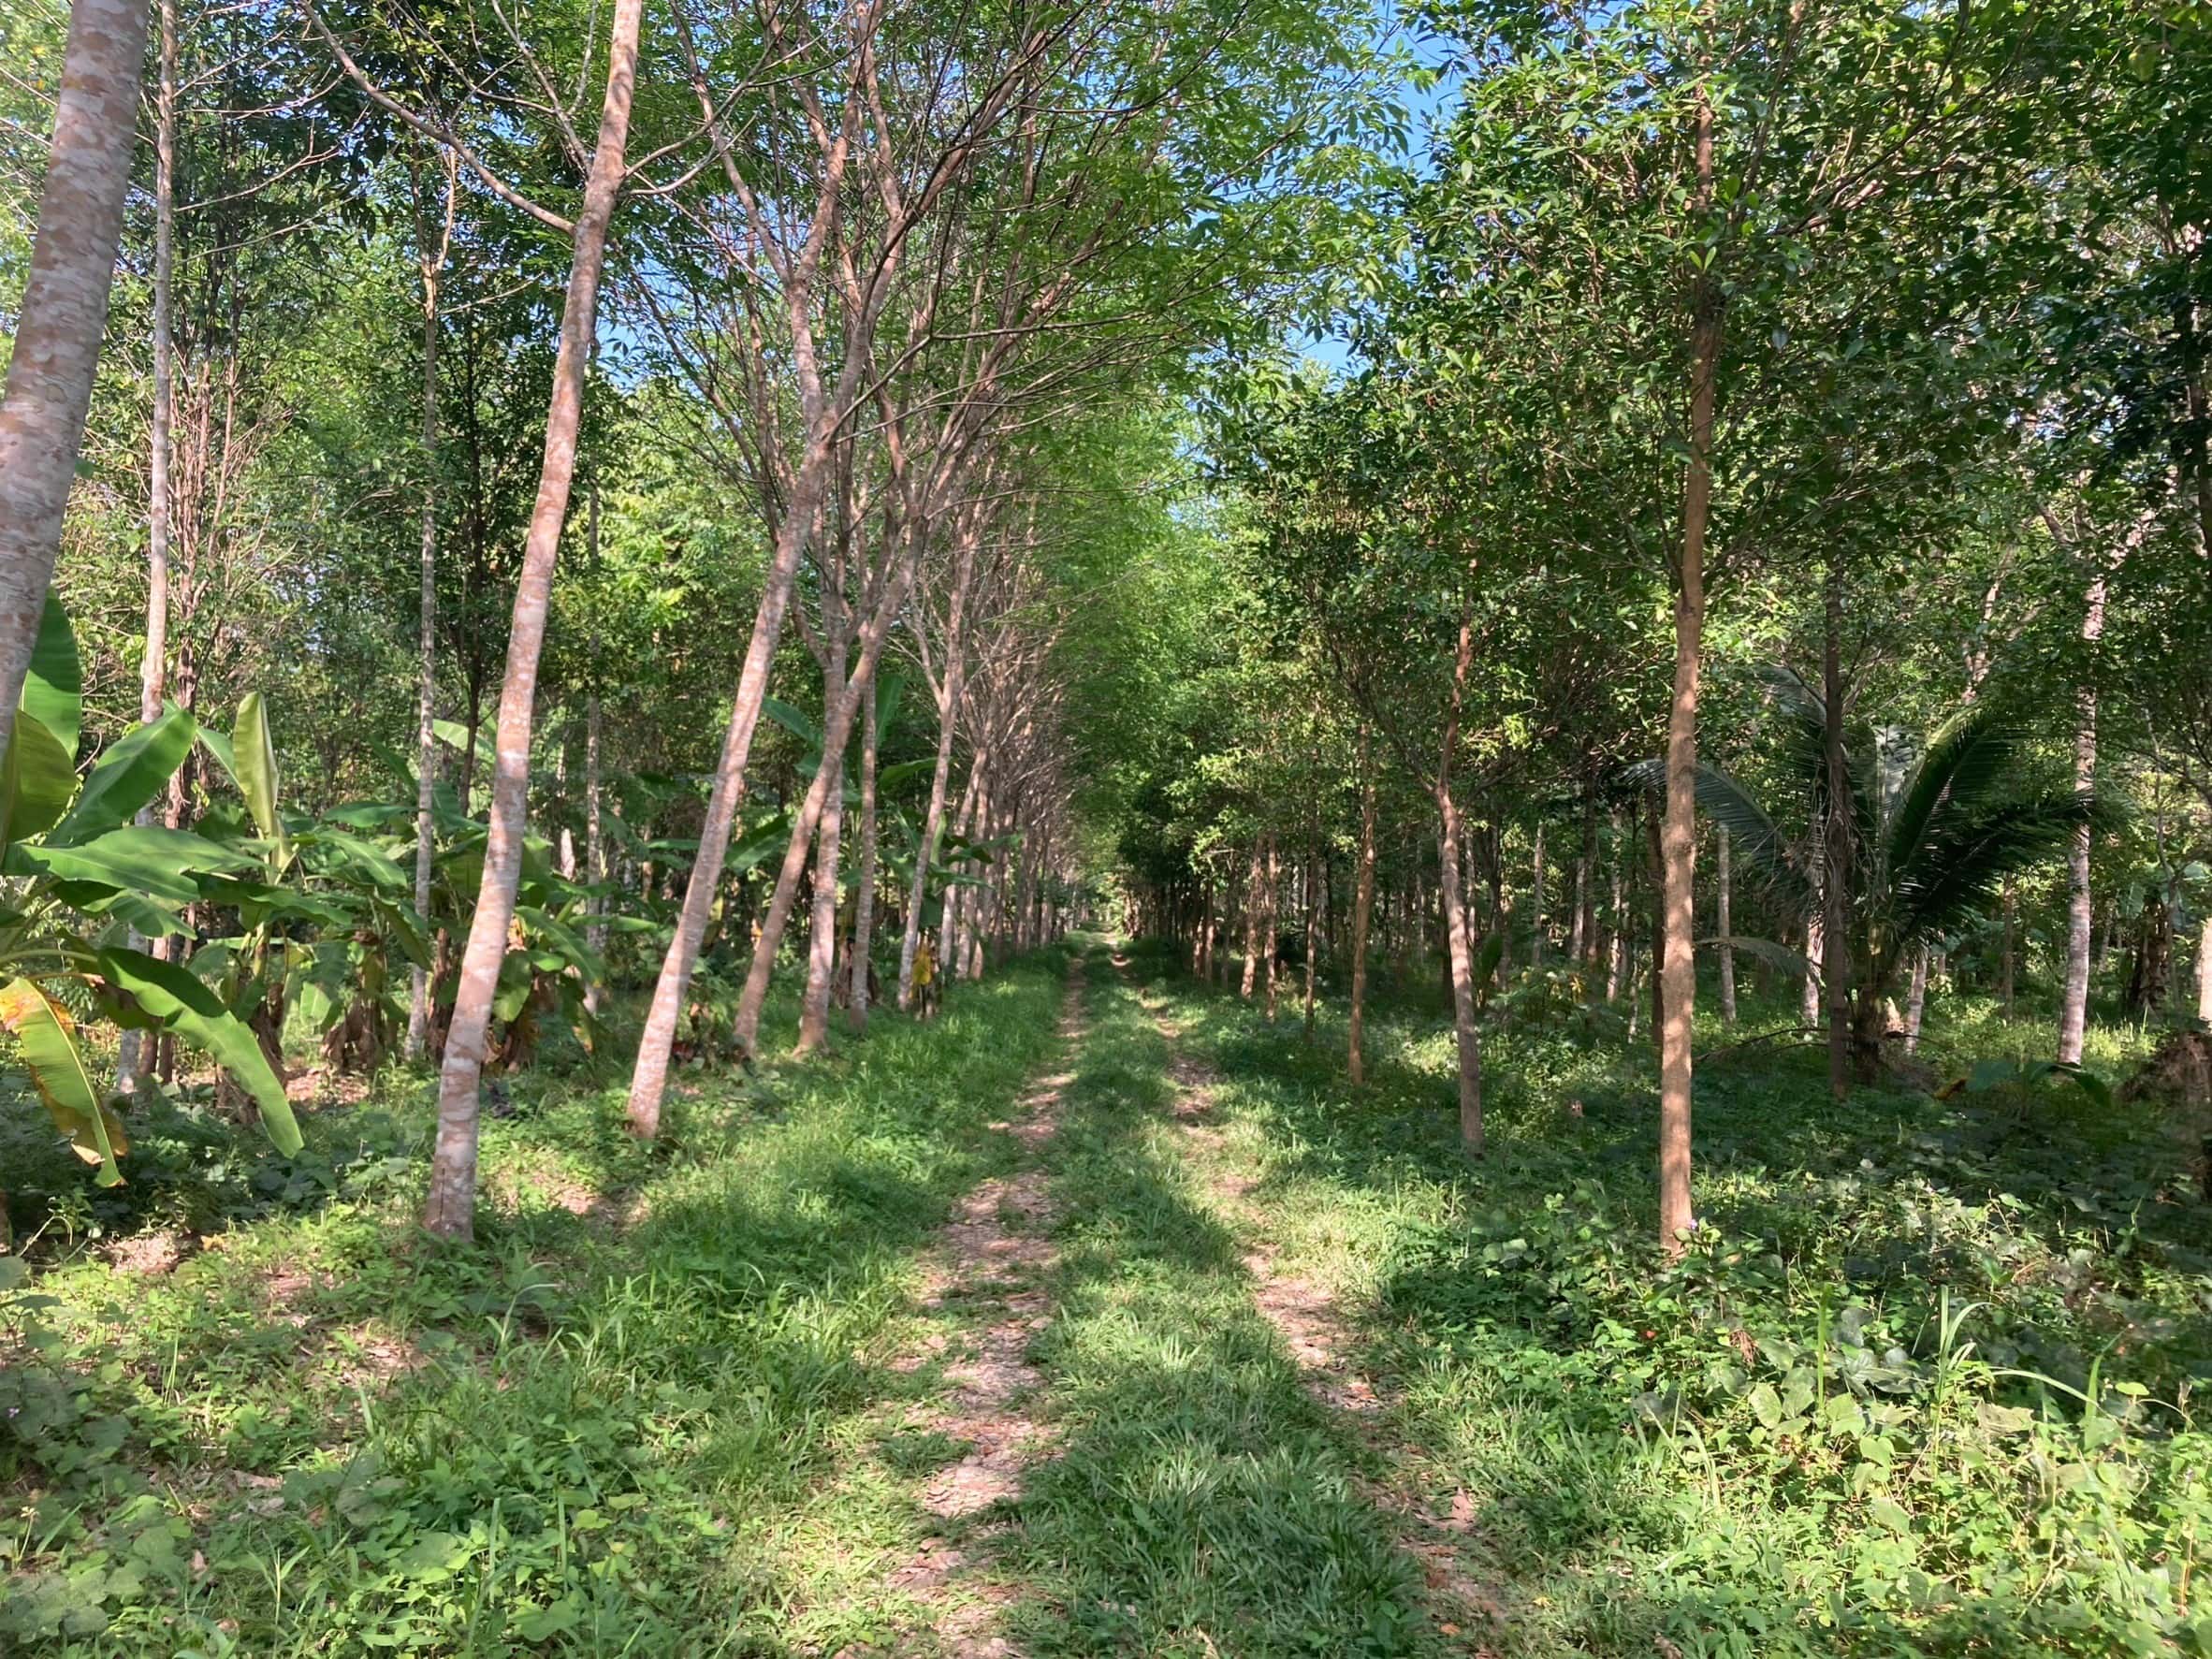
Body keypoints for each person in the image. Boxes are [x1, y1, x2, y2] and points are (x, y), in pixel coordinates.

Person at [914, 933, 940, 1020]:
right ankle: (923, 1011)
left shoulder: (931, 952)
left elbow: (935, 959)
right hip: (922, 975)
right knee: (923, 995)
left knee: (931, 994)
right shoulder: (920, 949)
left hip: (929, 975)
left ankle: (931, 1009)